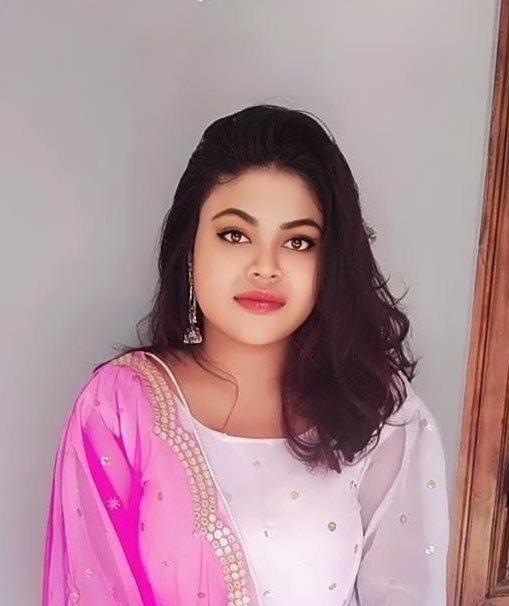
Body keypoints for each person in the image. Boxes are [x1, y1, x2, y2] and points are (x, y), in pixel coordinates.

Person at [42, 104, 449, 606]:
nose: (265, 267)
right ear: (191, 247)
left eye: (298, 242)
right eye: (235, 235)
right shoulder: (122, 407)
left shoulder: (378, 411)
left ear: (330, 264)